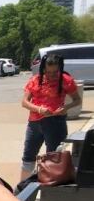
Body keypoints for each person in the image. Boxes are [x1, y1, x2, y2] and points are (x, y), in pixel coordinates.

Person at [20, 53, 82, 182]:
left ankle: (50, 186)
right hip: (35, 123)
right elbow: (24, 102)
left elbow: (77, 100)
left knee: (53, 157)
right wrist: (39, 109)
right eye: (48, 72)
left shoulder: (66, 80)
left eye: (55, 72)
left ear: (60, 68)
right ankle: (22, 187)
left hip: (55, 122)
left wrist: (66, 108)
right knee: (28, 155)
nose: (52, 75)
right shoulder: (35, 80)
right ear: (43, 69)